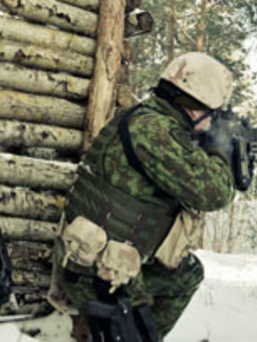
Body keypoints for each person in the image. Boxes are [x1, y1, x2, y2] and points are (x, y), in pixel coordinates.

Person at [48, 52, 238, 341]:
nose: (211, 123)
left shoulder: (140, 117)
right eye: (212, 114)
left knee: (186, 273)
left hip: (93, 256)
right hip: (102, 271)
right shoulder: (154, 131)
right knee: (160, 305)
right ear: (196, 107)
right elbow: (215, 194)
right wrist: (220, 150)